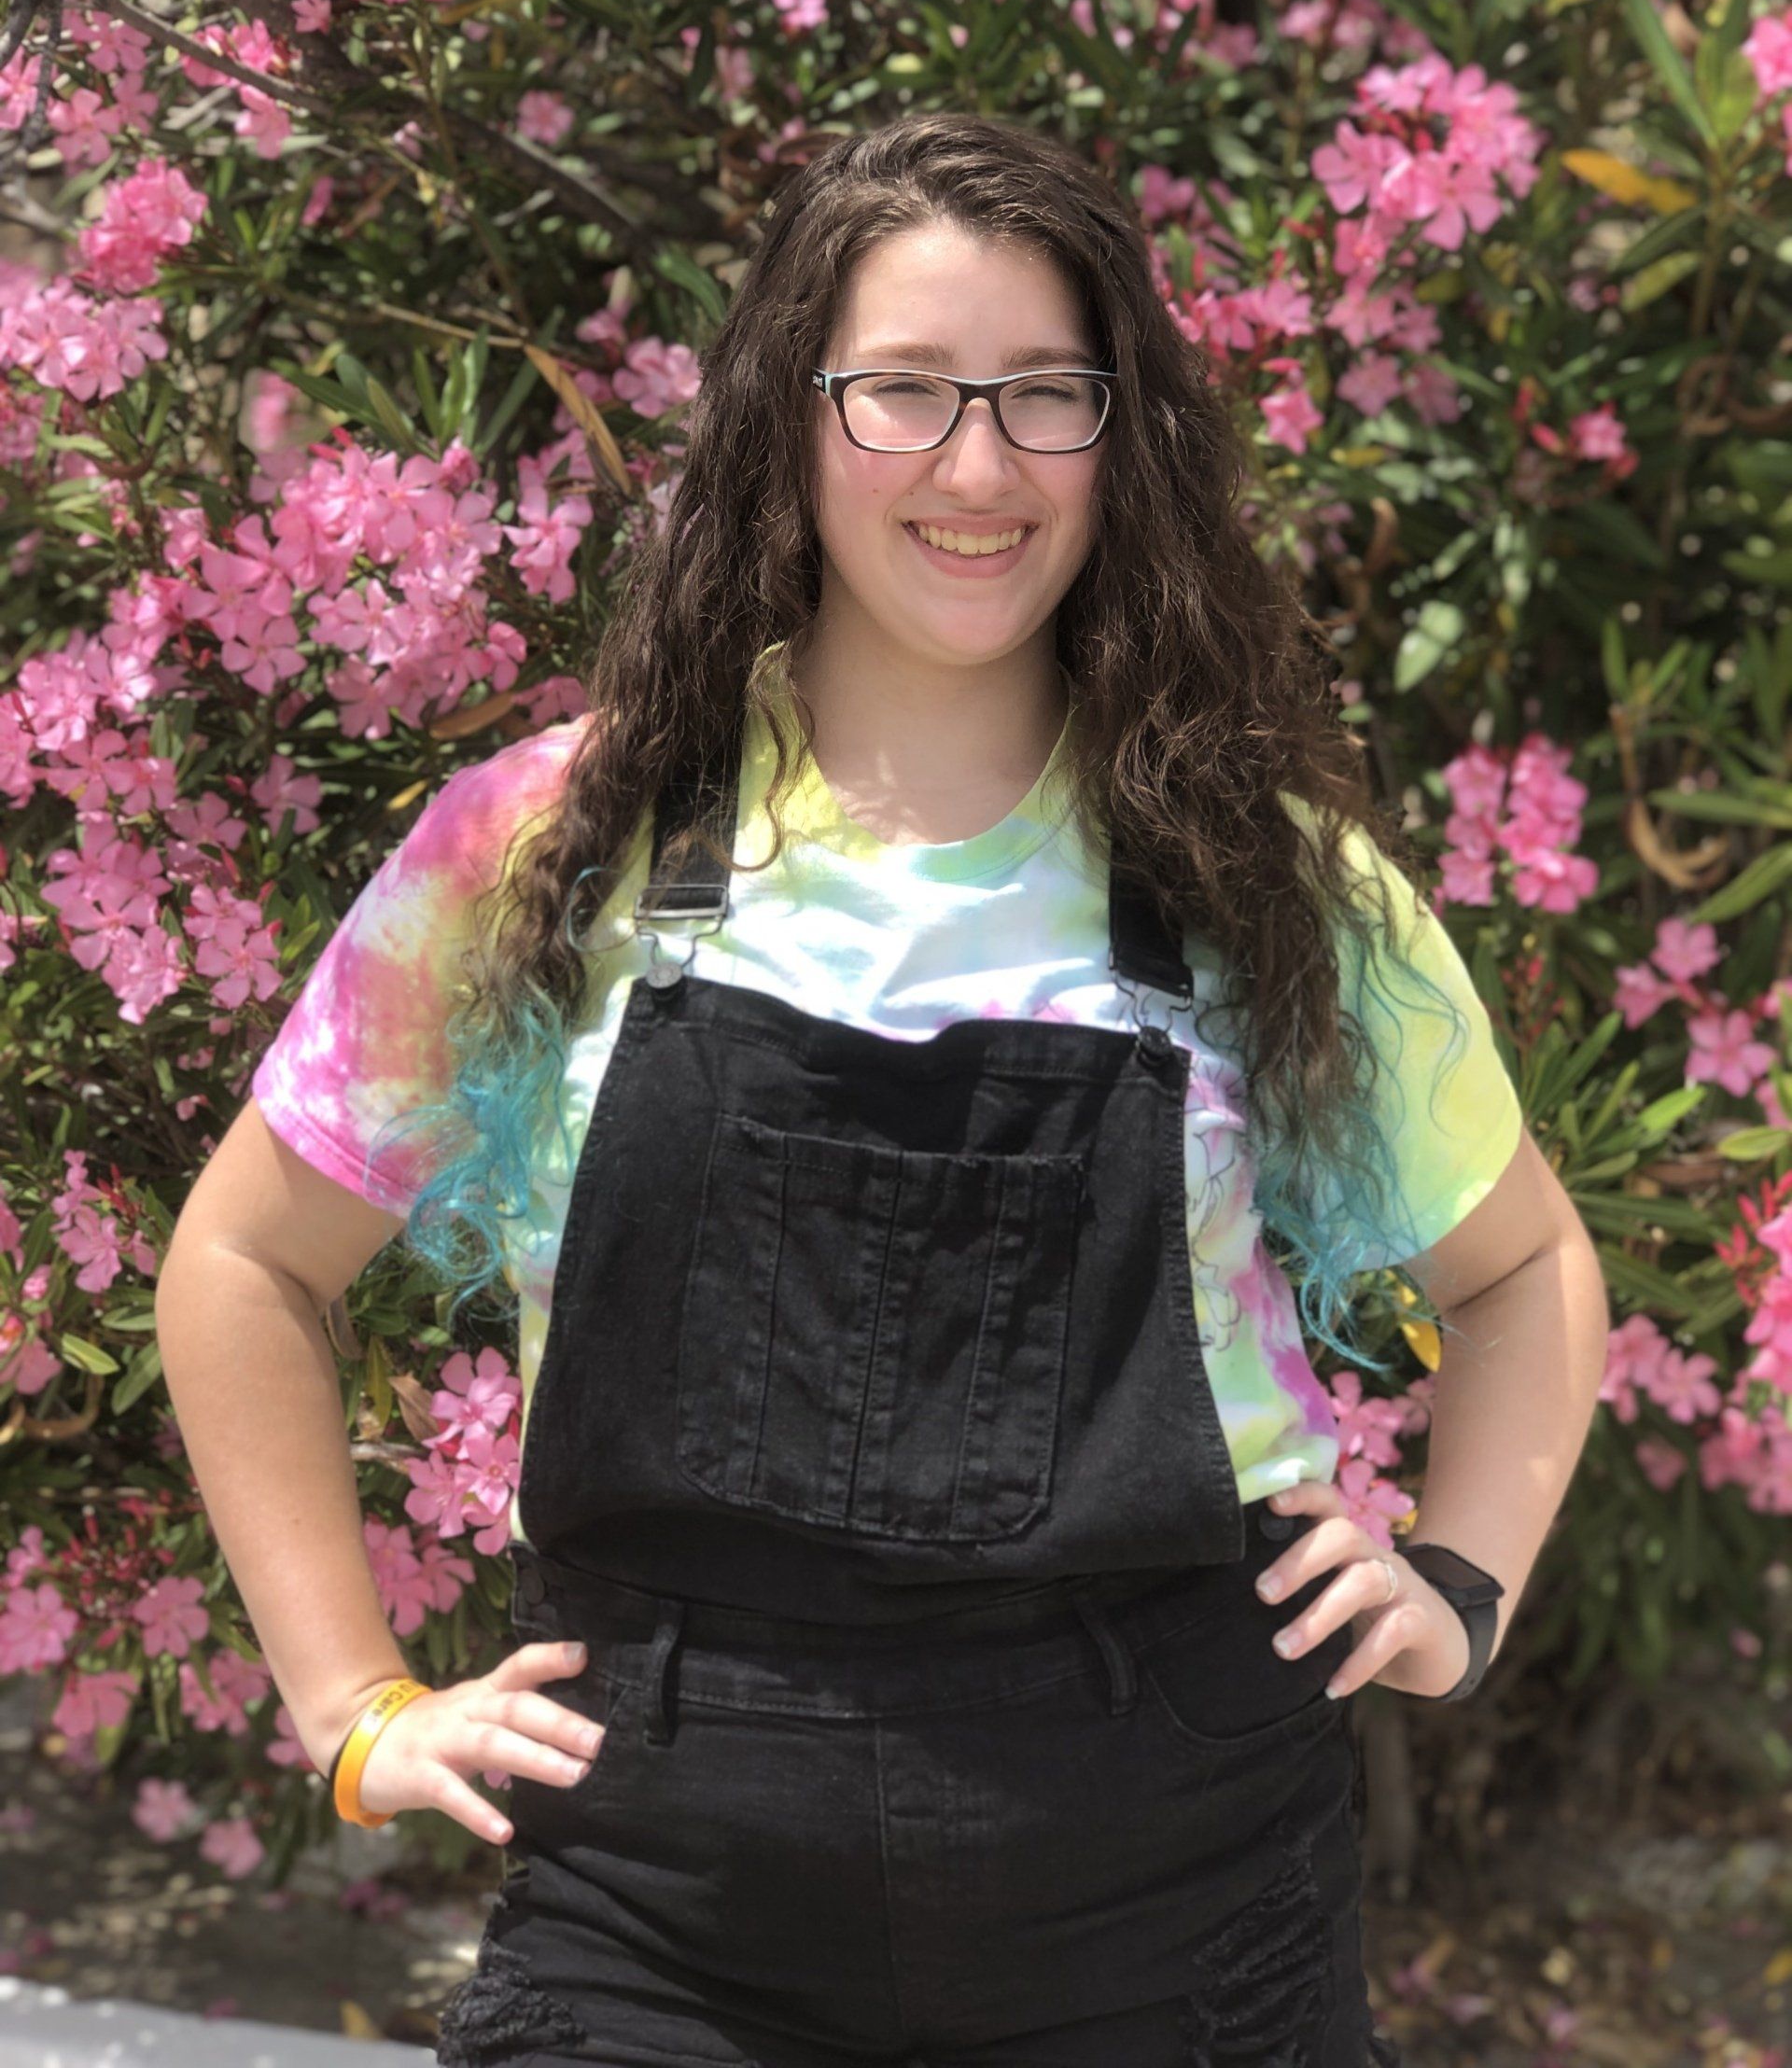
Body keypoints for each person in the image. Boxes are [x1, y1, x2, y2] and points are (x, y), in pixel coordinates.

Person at [158, 110, 1611, 2068]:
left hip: (1177, 1905)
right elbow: (245, 1260)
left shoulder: (1263, 881)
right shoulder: (547, 846)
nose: (978, 467)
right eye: (905, 390)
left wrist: (1456, 1588)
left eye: (1044, 395)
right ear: (791, 415)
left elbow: (1523, 1270)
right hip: (658, 1913)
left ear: (1122, 438)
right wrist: (355, 1706)